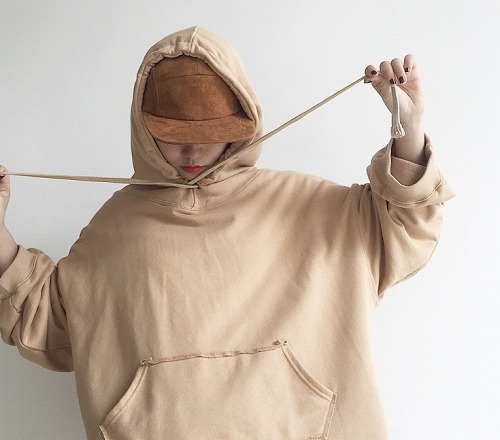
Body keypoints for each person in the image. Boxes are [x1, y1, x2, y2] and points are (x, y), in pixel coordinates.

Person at [0, 26, 453, 439]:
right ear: (143, 126)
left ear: (243, 121)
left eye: (212, 131)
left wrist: (409, 129)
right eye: (173, 134)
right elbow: (45, 321)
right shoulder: (114, 229)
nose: (193, 150)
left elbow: (403, 228)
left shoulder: (308, 207)